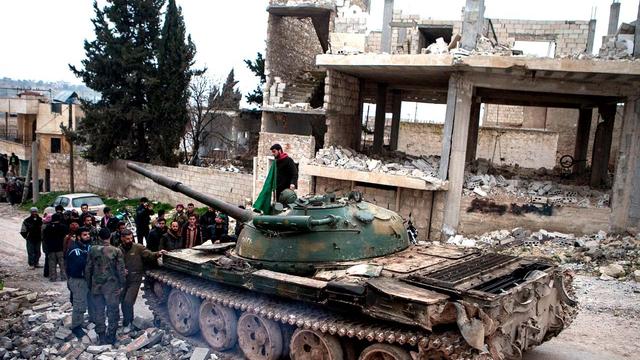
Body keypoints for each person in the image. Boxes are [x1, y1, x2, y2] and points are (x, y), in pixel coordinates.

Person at [85, 230, 126, 345]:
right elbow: (121, 270)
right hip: (112, 286)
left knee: (99, 311)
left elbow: (88, 269)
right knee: (112, 310)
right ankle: (111, 336)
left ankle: (101, 336)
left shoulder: (92, 250)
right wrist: (123, 284)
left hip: (96, 285)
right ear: (110, 236)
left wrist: (89, 284)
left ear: (99, 237)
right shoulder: (116, 251)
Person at [118, 229, 165, 329]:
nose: (130, 240)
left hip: (135, 278)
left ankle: (129, 322)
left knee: (128, 301)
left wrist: (158, 253)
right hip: (123, 279)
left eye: (131, 238)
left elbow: (149, 254)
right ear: (122, 238)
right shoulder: (119, 250)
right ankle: (127, 320)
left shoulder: (138, 247)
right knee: (122, 300)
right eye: (127, 239)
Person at [66, 227, 92, 338]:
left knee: (87, 302)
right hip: (78, 280)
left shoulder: (86, 247)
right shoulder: (75, 250)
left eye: (88, 234)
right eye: (84, 235)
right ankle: (76, 327)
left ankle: (82, 322)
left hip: (85, 279)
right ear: (78, 237)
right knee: (79, 304)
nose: (87, 236)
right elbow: (82, 264)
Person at [43, 213, 68, 282]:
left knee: (52, 264)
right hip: (60, 248)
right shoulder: (63, 227)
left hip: (51, 249)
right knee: (62, 263)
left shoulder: (48, 227)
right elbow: (66, 237)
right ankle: (64, 277)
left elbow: (45, 238)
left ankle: (53, 277)